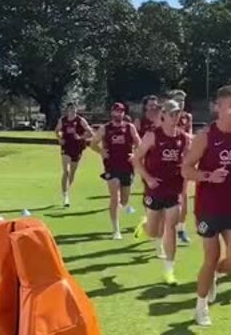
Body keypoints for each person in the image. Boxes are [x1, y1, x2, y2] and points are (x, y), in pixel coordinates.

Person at [182, 85, 231, 327]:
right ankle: (201, 305)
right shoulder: (205, 136)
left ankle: (215, 274)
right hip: (209, 206)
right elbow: (186, 169)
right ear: (218, 108)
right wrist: (208, 176)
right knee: (211, 255)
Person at [133, 100, 190, 284]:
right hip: (155, 188)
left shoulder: (183, 138)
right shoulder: (152, 136)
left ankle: (169, 270)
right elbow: (136, 159)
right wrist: (148, 178)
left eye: (178, 114)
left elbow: (188, 161)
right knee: (152, 231)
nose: (175, 117)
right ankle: (144, 225)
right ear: (163, 115)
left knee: (170, 227)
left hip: (173, 189)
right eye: (172, 114)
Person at [91, 103, 140, 239]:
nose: (118, 114)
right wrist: (101, 151)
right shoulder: (105, 129)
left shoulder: (130, 128)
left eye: (121, 112)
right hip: (111, 167)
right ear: (112, 112)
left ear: (124, 113)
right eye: (116, 111)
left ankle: (117, 213)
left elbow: (139, 144)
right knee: (115, 197)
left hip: (127, 167)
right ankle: (116, 230)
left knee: (124, 200)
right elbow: (92, 143)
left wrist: (135, 155)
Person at [167, 89, 193, 245]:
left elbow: (188, 137)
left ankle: (181, 228)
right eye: (178, 100)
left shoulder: (187, 117)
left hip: (181, 160)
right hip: (166, 159)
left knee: (183, 195)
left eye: (183, 100)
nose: (181, 103)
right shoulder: (165, 116)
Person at [55, 103, 93, 207]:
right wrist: (59, 138)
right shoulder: (62, 120)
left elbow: (90, 133)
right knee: (66, 171)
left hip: (77, 148)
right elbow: (57, 130)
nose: (72, 110)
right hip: (66, 146)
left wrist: (80, 137)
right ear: (67, 110)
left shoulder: (80, 120)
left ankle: (67, 190)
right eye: (70, 109)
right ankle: (65, 196)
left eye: (73, 109)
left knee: (72, 173)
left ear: (76, 110)